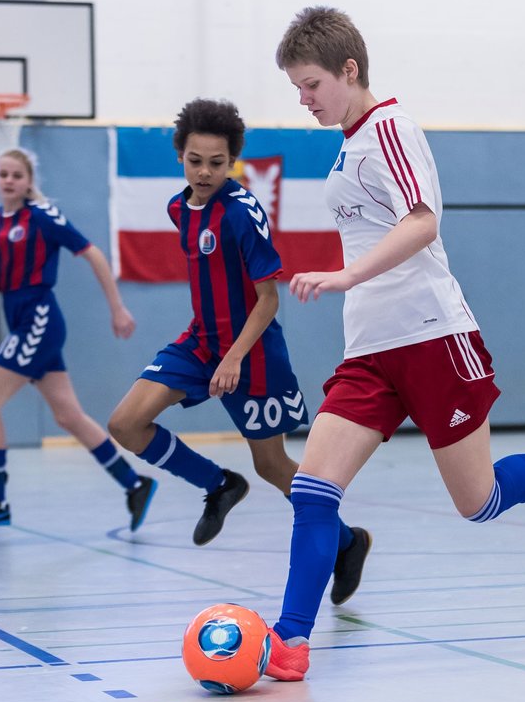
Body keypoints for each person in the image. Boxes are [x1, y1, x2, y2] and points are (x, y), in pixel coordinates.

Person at [263, 6, 525, 681]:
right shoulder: (349, 141)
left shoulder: (391, 126)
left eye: (309, 85)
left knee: (477, 502)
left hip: (432, 338)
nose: (302, 100)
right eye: (297, 89)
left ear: (348, 70)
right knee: (312, 491)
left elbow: (422, 223)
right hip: (369, 352)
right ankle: (290, 641)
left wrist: (345, 276)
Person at [107, 98, 371, 606]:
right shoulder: (177, 208)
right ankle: (218, 483)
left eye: (217, 162)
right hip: (200, 342)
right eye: (195, 161)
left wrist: (233, 360)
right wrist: (214, 352)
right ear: (180, 157)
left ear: (233, 163)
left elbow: (268, 300)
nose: (205, 172)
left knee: (272, 467)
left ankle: (347, 540)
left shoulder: (242, 213)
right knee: (125, 424)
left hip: (252, 355)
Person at [0, 149, 155, 526]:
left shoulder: (43, 218)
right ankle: (134, 484)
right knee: (68, 415)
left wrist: (117, 307)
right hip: (19, 321)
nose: (9, 180)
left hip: (39, 319)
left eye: (17, 174)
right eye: (3, 174)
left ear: (29, 181)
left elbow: (92, 253)